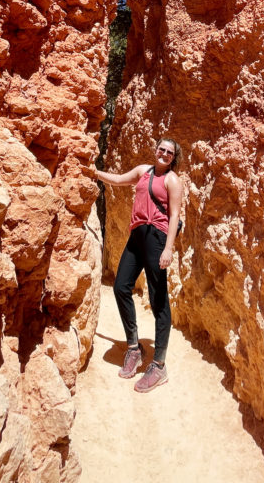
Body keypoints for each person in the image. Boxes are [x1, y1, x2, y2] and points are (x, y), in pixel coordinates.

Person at [95, 139, 183, 393]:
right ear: (155, 150)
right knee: (121, 286)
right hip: (136, 237)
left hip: (157, 239)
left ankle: (159, 364)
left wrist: (168, 248)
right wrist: (94, 173)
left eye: (169, 152)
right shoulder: (143, 171)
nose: (164, 154)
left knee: (158, 301)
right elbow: (119, 179)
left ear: (174, 157)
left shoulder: (172, 181)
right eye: (161, 149)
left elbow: (175, 214)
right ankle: (134, 347)